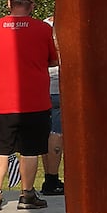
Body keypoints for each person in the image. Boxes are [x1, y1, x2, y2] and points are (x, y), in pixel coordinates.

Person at [0, 0, 58, 211]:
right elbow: (53, 60)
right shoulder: (42, 29)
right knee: (30, 150)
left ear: (9, 5)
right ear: (31, 6)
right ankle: (27, 194)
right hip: (34, 100)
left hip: (2, 101)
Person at [41, 15, 64, 196]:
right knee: (57, 132)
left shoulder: (43, 25)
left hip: (43, 86)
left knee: (45, 132)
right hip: (60, 84)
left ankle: (49, 176)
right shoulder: (67, 26)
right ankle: (52, 177)